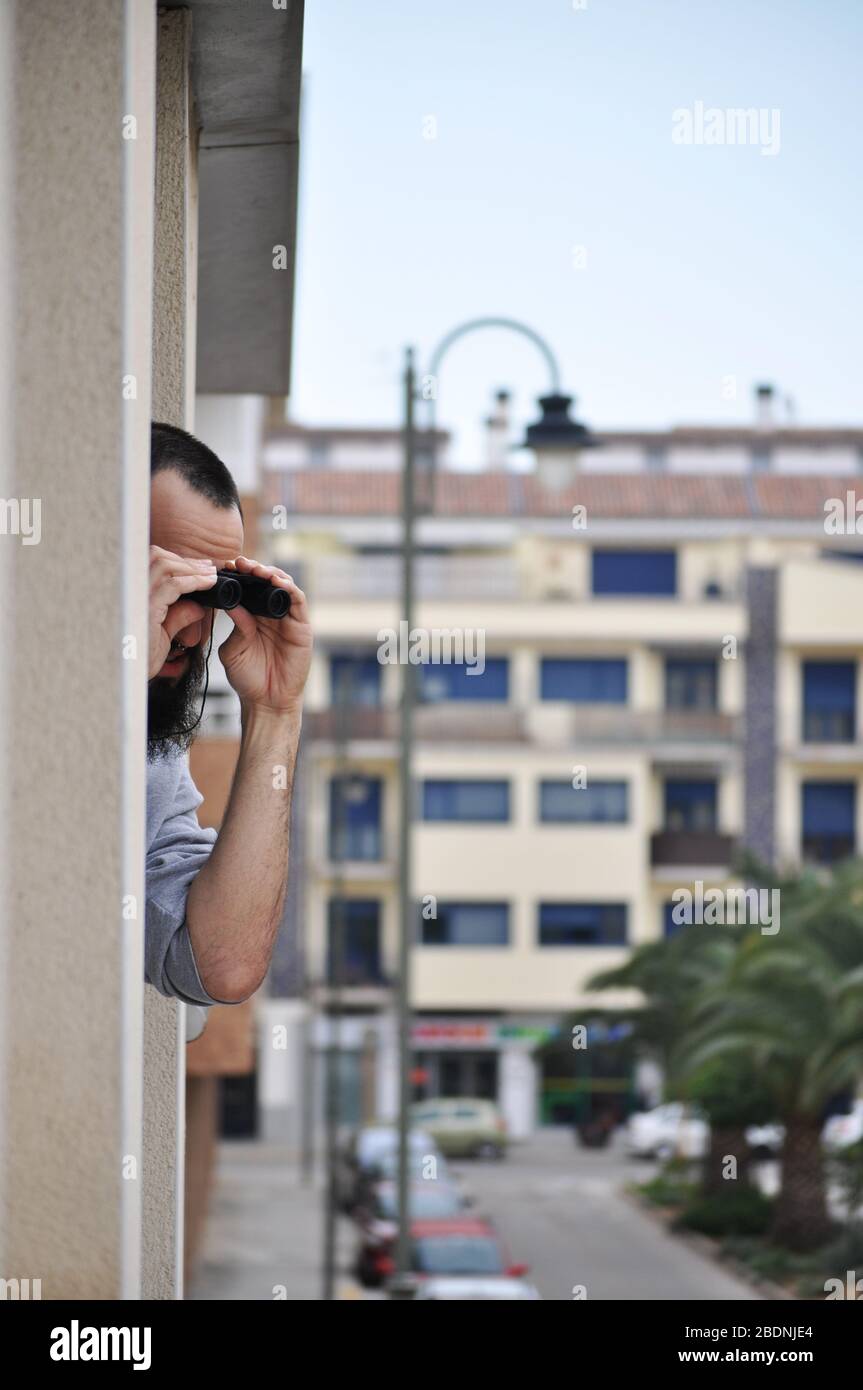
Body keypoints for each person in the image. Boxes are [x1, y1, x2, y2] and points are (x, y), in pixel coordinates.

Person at [146, 422, 312, 1004]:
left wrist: (274, 711)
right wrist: (106, 680)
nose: (192, 629)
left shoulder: (152, 752)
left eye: (213, 591)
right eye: (171, 583)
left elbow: (219, 965)